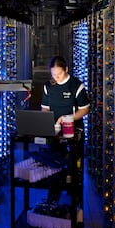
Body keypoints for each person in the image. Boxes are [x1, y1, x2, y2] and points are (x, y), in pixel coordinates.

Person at [41, 55, 90, 207]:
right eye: (53, 74)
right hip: (55, 131)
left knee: (74, 166)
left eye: (59, 74)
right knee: (54, 164)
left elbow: (85, 110)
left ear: (66, 70)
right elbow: (45, 108)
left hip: (74, 131)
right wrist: (45, 121)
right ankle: (53, 199)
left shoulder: (76, 85)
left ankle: (76, 201)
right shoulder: (48, 86)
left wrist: (69, 117)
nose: (55, 77)